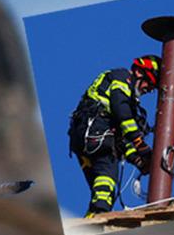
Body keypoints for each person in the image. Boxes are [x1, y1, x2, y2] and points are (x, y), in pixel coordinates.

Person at [68, 55, 160, 217]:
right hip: (94, 132)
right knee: (108, 174)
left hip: (88, 137)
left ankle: (91, 219)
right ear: (139, 72)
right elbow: (121, 110)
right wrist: (139, 142)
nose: (149, 89)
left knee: (104, 192)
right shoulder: (121, 78)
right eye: (149, 82)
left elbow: (121, 140)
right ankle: (97, 219)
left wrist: (138, 161)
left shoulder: (127, 100)